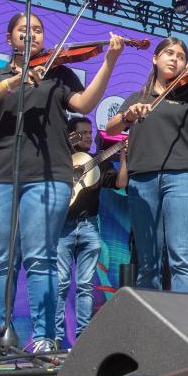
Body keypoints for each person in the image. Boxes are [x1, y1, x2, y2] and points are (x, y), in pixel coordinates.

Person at [0, 12, 124, 353]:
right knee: (0, 261)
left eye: (37, 30)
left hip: (48, 175)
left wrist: (109, 60)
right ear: (10, 38)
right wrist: (14, 82)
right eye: (24, 30)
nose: (32, 35)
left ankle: (44, 338)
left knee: (41, 257)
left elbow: (85, 103)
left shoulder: (57, 73)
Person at [105, 38, 188, 293]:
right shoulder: (137, 97)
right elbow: (111, 128)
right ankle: (148, 326)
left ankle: (182, 327)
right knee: (148, 261)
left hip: (183, 177)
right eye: (169, 53)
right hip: (142, 179)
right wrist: (128, 115)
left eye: (181, 56)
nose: (175, 59)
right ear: (155, 58)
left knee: (182, 256)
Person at [55, 117, 127, 348]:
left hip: (89, 225)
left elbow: (120, 183)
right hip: (62, 227)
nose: (87, 137)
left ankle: (82, 341)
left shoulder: (98, 161)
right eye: (82, 133)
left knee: (85, 285)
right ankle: (56, 339)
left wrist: (123, 156)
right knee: (61, 283)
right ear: (71, 135)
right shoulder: (61, 159)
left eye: (89, 133)